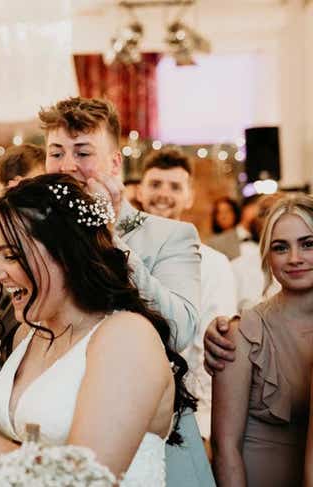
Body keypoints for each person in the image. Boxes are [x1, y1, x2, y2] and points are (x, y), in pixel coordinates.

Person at [0, 174, 196, 484]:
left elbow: (84, 479)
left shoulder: (127, 337)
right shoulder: (30, 335)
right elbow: (26, 455)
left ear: (66, 254)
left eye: (11, 256)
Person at [40, 96, 210, 486]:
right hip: (58, 427)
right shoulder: (40, 237)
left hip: (150, 436)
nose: (67, 166)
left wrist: (109, 236)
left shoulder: (172, 235)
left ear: (115, 163)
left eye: (82, 152)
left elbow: (178, 330)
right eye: (56, 153)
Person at [211, 194, 313, 487]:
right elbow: (224, 447)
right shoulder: (242, 333)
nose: (295, 258)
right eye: (281, 247)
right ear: (267, 256)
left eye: (308, 244)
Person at [136, 148, 237, 440]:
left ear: (189, 196)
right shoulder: (120, 256)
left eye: (175, 186)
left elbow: (214, 348)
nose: (163, 193)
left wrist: (205, 425)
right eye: (155, 184)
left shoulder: (214, 263)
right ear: (140, 191)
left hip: (189, 411)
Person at [209, 195, 260, 261]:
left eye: (227, 211)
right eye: (219, 213)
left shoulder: (249, 233)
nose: (223, 216)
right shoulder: (214, 243)